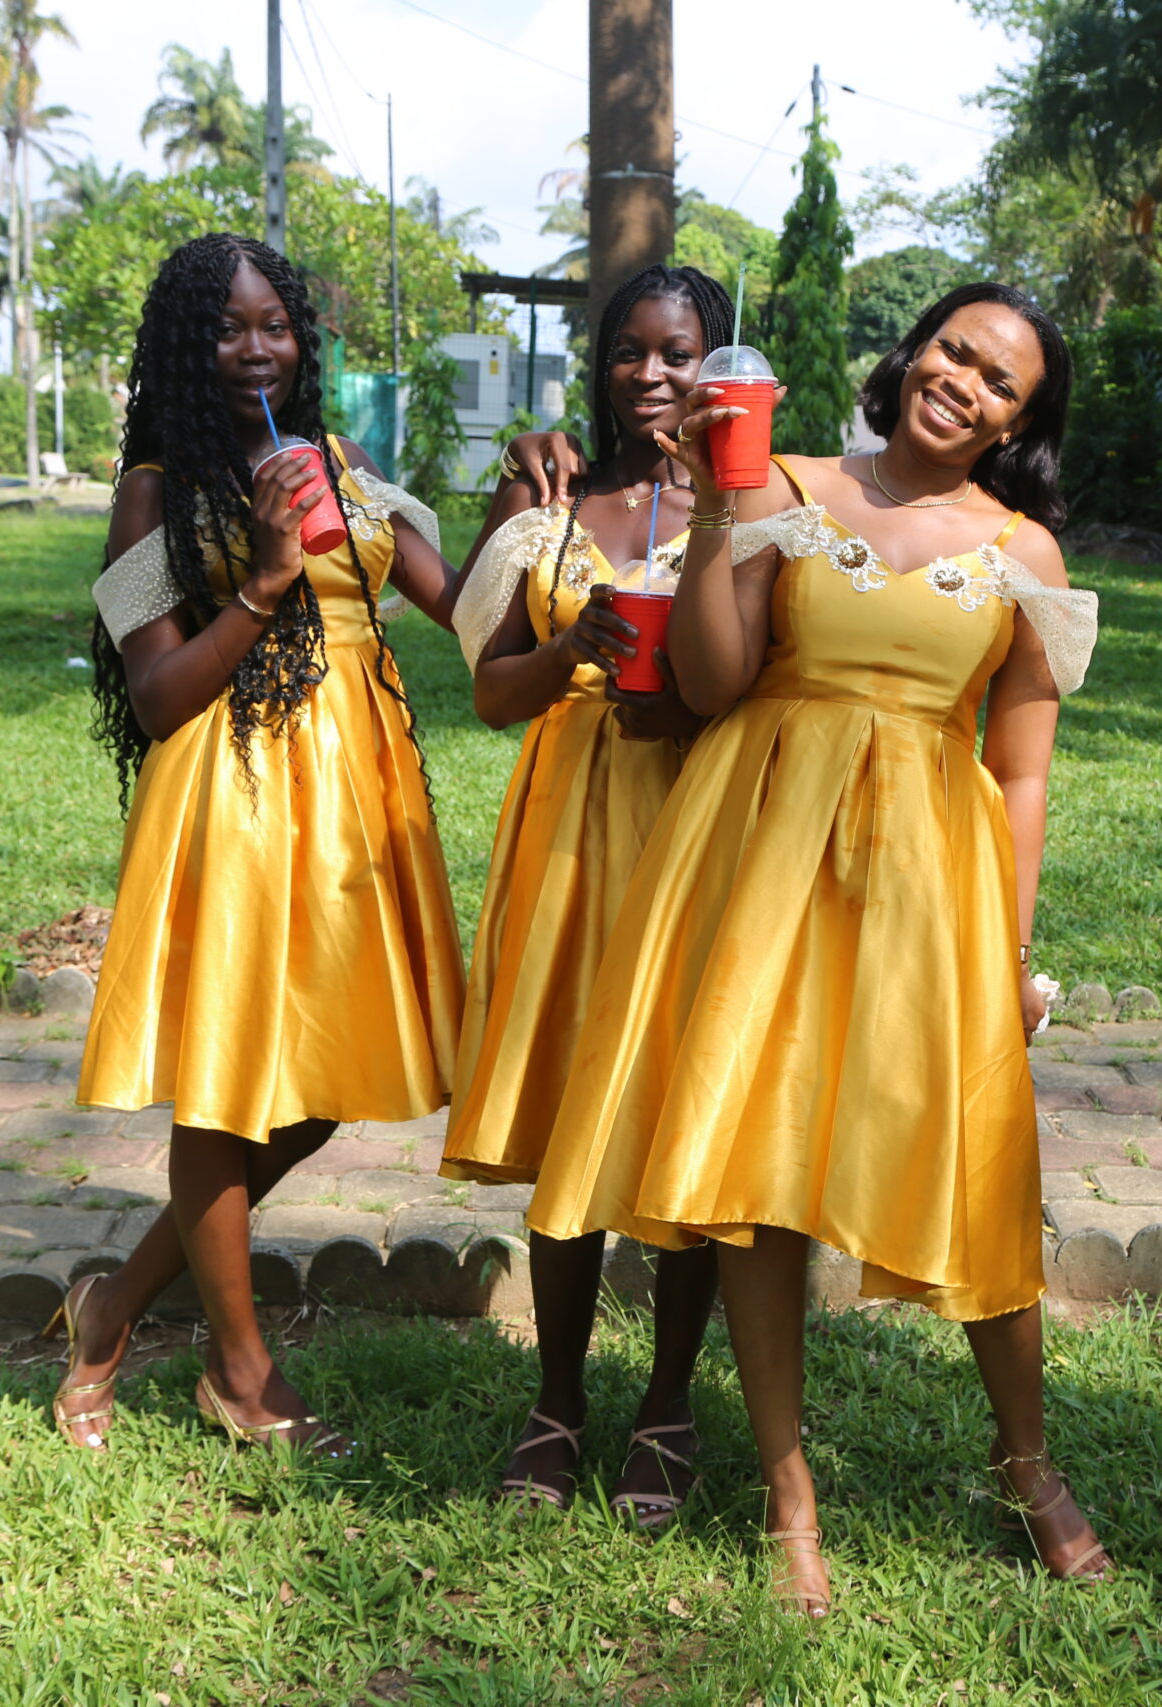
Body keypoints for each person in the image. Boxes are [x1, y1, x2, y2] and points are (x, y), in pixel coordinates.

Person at [526, 283, 1113, 1615]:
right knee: (759, 1164)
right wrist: (719, 509)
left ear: (1019, 423)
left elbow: (1022, 769)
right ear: (912, 352)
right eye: (954, 350)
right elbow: (712, 683)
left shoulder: (1024, 550)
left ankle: (1028, 1463)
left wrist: (1011, 946)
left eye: (1001, 382)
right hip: (762, 848)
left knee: (975, 1162)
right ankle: (789, 1495)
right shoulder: (782, 482)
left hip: (927, 874)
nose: (964, 383)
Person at [52, 233, 466, 1456]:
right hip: (231, 795)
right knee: (229, 1086)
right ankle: (238, 1372)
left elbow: (463, 606)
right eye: (226, 328)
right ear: (188, 346)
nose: (255, 348)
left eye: (275, 326)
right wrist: (265, 582)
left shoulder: (346, 463)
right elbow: (155, 697)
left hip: (357, 801)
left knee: (322, 1086)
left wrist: (532, 508)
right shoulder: (153, 492)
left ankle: (113, 1306)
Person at [439, 265, 735, 1525]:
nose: (651, 373)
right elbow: (486, 690)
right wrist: (570, 648)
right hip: (566, 833)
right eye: (628, 350)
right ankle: (557, 1401)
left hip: (699, 830)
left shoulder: (758, 499)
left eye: (678, 352)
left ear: (718, 365)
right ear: (600, 362)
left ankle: (668, 1403)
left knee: (680, 1105)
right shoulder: (543, 493)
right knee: (568, 1103)